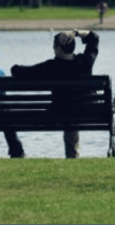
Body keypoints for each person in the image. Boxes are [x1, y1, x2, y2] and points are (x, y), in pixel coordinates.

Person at [11, 30, 99, 158]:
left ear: (58, 49)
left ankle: (72, 155)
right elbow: (94, 38)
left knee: (68, 113)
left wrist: (14, 68)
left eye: (54, 46)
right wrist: (76, 33)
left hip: (58, 113)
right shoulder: (85, 62)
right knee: (73, 113)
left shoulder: (50, 67)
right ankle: (73, 155)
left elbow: (18, 71)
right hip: (86, 113)